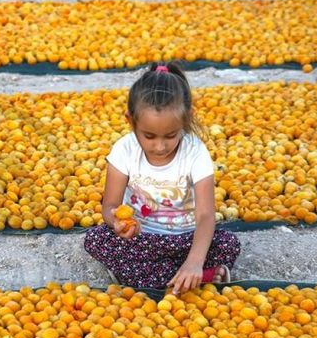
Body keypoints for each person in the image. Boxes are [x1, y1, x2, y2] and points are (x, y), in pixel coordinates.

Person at [84, 62, 240, 294]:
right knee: (96, 240)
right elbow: (110, 205)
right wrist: (116, 223)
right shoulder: (124, 150)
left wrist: (194, 260)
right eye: (148, 136)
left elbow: (206, 215)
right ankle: (199, 277)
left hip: (185, 238)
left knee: (228, 243)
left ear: (185, 120)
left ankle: (163, 275)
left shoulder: (194, 152)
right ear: (131, 121)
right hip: (142, 238)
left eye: (170, 136)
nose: (159, 146)